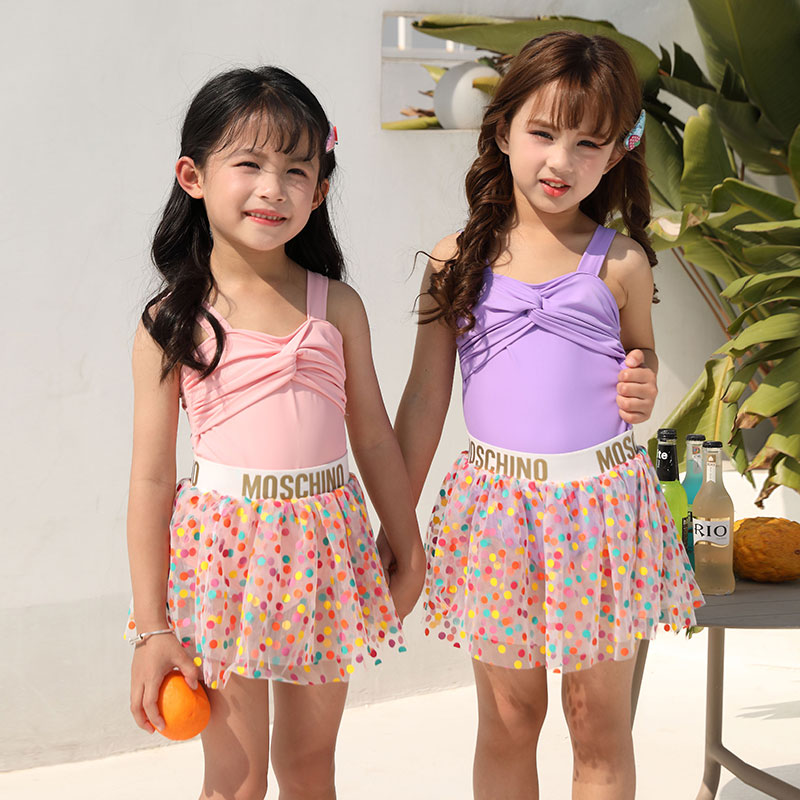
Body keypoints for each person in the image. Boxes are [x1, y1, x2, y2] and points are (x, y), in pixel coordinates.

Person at [381, 32, 703, 800]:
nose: (562, 161)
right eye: (544, 133)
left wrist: (642, 382)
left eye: (588, 143)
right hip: (498, 513)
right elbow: (424, 399)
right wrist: (396, 521)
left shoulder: (622, 263)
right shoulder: (455, 261)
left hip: (602, 511)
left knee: (598, 724)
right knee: (509, 718)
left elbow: (640, 358)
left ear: (618, 152)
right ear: (502, 130)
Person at [125, 66, 425, 800]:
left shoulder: (337, 307)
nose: (274, 188)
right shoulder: (171, 322)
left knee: (309, 767)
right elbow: (152, 478)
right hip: (221, 561)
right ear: (193, 176)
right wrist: (151, 627)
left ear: (319, 191)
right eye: (250, 164)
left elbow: (373, 439)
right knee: (236, 778)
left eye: (296, 170)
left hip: (324, 552)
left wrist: (408, 543)